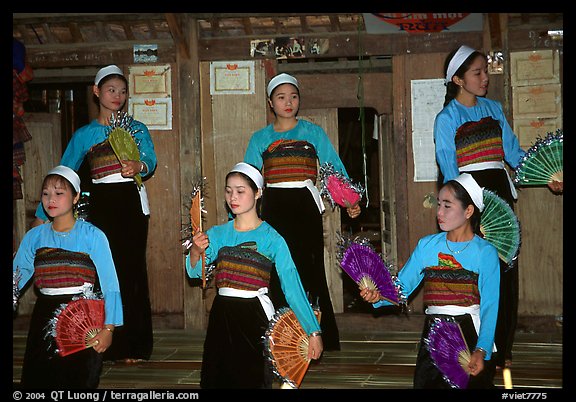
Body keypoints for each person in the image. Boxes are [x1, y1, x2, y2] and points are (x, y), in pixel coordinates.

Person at [433, 45, 562, 369]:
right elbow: (449, 168)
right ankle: (473, 346)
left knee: (505, 270)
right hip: (472, 200)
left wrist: (547, 177)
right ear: (459, 80)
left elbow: (514, 155)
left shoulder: (493, 108)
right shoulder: (446, 118)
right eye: (477, 73)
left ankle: (501, 348)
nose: (484, 78)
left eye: (485, 71)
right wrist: (460, 210)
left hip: (500, 196)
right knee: (474, 273)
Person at [32, 65, 157, 363]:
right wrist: (41, 215)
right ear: (97, 92)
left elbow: (150, 159)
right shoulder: (84, 134)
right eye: (111, 90)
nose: (118, 96)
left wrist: (138, 167)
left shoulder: (136, 129)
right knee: (99, 273)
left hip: (131, 204)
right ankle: (101, 341)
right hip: (100, 205)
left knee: (131, 271)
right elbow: (63, 174)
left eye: (123, 91)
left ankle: (134, 345)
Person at [243, 72, 361, 351]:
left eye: (293, 96)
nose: (288, 102)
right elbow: (248, 177)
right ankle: (281, 337)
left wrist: (350, 201)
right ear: (271, 102)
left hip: (305, 206)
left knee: (310, 268)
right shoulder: (260, 138)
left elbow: (333, 168)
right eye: (281, 97)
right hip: (273, 207)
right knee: (276, 270)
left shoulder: (313, 133)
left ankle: (321, 336)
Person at [185, 162, 323, 388]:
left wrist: (312, 331)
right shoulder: (217, 234)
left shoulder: (272, 238)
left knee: (254, 379)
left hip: (255, 316)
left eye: (241, 191)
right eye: (228, 191)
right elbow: (194, 273)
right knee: (216, 378)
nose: (233, 197)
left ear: (258, 193)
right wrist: (195, 251)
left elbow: (292, 287)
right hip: (222, 314)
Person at [360, 173, 500, 388]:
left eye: (447, 206)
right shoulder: (427, 246)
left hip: (468, 333)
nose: (439, 212)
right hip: (434, 332)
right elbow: (402, 287)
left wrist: (481, 349)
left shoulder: (485, 252)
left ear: (468, 211)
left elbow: (490, 306)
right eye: (438, 205)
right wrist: (378, 296)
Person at [13, 165, 123, 388]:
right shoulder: (34, 237)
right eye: (46, 193)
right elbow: (16, 276)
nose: (50, 199)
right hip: (43, 316)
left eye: (59, 193)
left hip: (82, 318)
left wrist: (108, 328)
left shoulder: (93, 236)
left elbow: (111, 284)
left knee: (78, 380)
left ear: (76, 197)